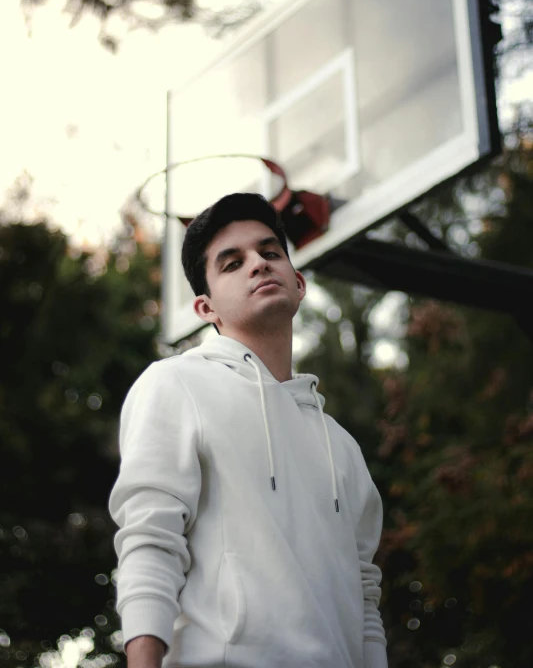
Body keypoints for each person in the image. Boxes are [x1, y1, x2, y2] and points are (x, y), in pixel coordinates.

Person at [108, 192, 388, 668]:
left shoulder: (342, 446)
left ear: (297, 284)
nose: (258, 264)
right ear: (205, 307)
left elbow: (364, 598)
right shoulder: (176, 383)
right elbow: (150, 541)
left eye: (270, 252)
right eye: (232, 263)